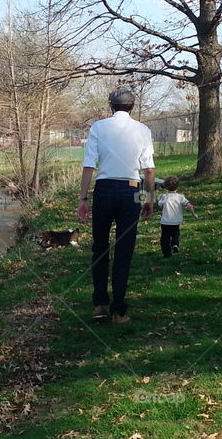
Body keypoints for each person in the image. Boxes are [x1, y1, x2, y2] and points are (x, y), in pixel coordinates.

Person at [77, 89, 155, 325]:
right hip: (131, 190)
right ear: (132, 106)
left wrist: (83, 199)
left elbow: (89, 165)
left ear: (111, 106)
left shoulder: (98, 128)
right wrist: (150, 198)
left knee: (99, 248)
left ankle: (100, 304)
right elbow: (149, 169)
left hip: (104, 190)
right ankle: (119, 311)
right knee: (124, 251)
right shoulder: (143, 130)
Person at [157, 176, 198, 258]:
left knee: (165, 238)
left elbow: (160, 205)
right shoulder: (180, 197)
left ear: (165, 187)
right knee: (175, 234)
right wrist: (194, 214)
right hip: (176, 221)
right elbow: (189, 205)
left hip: (165, 222)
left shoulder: (164, 196)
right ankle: (175, 244)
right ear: (177, 186)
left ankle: (167, 254)